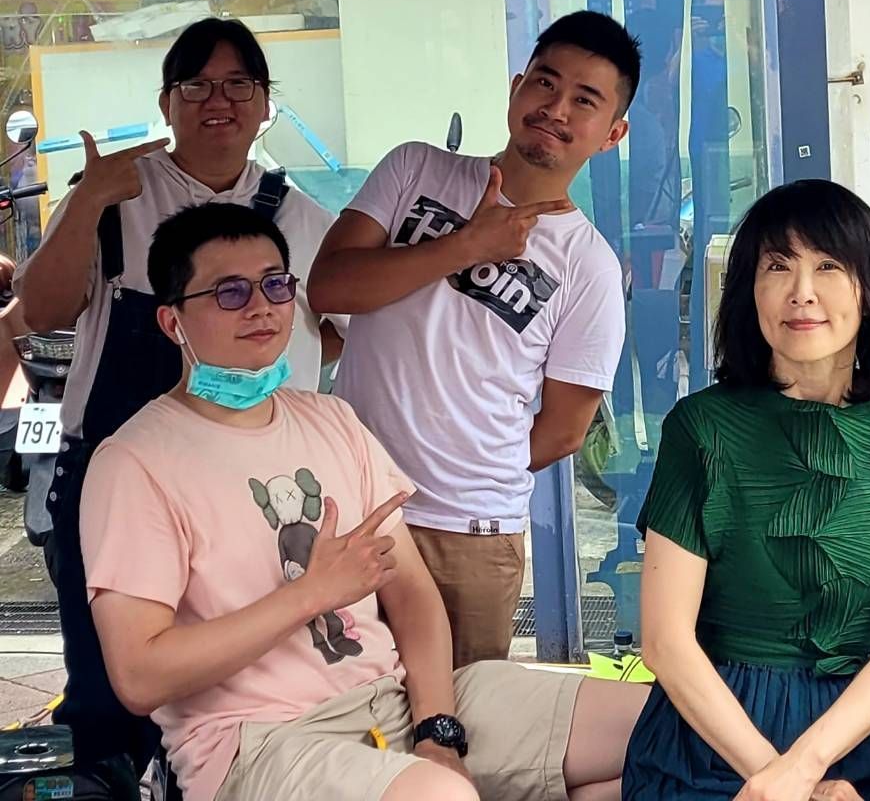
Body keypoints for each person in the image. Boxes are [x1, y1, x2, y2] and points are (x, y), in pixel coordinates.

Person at [81, 202, 646, 801]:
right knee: (442, 796)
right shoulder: (135, 462)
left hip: (394, 705)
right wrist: (309, 595)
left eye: (275, 285)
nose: (261, 307)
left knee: (672, 730)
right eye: (230, 292)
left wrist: (437, 730)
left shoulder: (333, 421)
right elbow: (139, 676)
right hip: (259, 743)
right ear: (172, 322)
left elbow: (414, 596)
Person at [14, 17, 346, 781]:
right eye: (196, 85)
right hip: (110, 477)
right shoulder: (117, 195)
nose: (217, 100)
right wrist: (90, 199)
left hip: (245, 490)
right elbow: (41, 308)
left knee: (234, 679)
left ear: (265, 103)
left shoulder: (305, 220)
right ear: (167, 103)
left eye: (238, 84)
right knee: (110, 692)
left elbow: (338, 333)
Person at [308, 10, 640, 666]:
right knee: (338, 705)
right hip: (353, 506)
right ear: (517, 88)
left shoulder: (590, 267)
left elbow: (565, 430)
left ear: (612, 134)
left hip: (470, 533)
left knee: (454, 713)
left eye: (584, 100)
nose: (555, 109)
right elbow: (330, 288)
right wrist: (465, 246)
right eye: (545, 83)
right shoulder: (415, 171)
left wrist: (466, 471)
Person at [625, 180, 870, 801]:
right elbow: (665, 642)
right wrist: (780, 777)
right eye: (777, 266)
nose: (801, 291)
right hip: (711, 739)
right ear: (748, 291)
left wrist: (807, 765)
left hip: (866, 735)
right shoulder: (699, 428)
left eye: (828, 266)